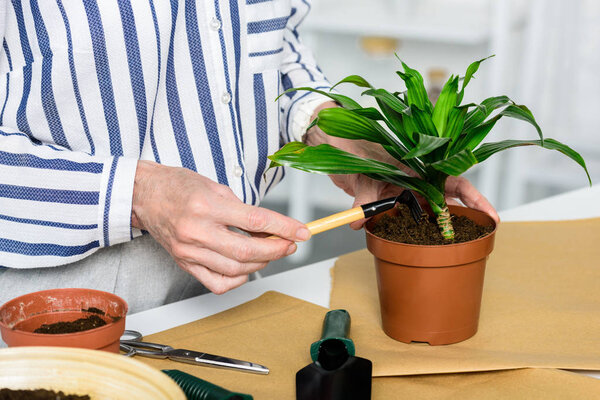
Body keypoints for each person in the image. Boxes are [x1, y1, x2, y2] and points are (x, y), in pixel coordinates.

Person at [0, 0, 498, 313]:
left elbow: (277, 47)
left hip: (237, 278)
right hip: (62, 299)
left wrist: (328, 128)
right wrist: (139, 194)